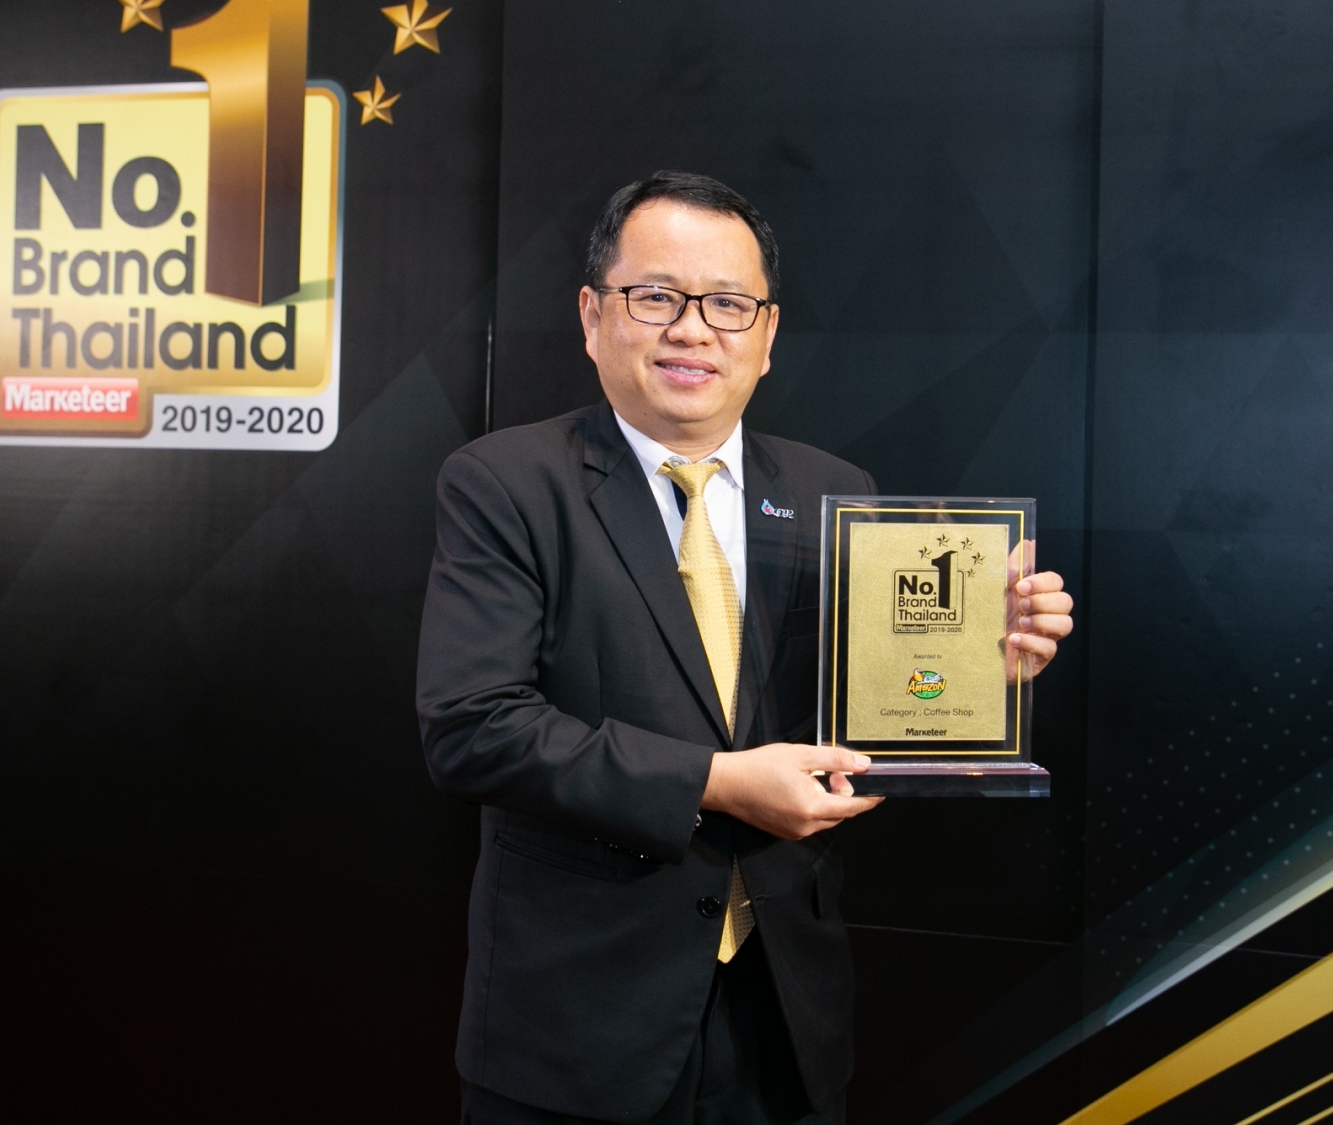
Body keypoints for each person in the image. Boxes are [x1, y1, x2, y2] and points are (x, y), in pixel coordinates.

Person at [417, 172, 1075, 1124]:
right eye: (656, 296)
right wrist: (718, 782)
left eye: (728, 304)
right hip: (580, 1022)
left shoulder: (833, 492)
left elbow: (858, 720)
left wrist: (976, 672)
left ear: (766, 337)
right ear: (593, 316)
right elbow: (474, 728)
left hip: (785, 1019)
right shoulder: (505, 483)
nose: (693, 330)